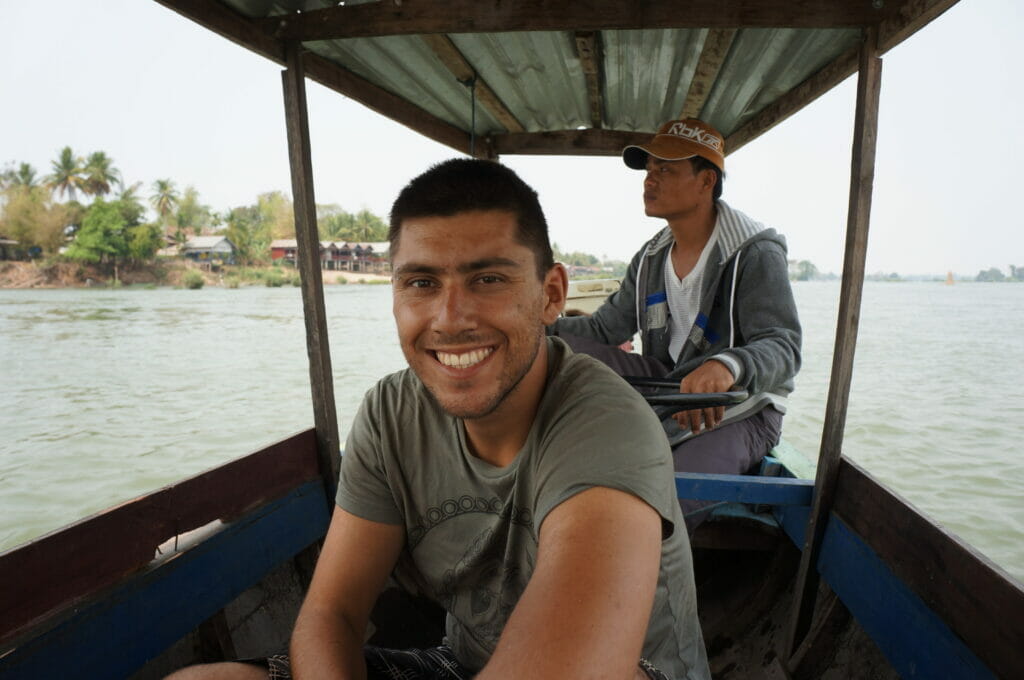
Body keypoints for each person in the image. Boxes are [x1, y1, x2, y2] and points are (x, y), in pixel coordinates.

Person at [167, 159, 710, 680]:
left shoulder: (607, 425)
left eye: (488, 280)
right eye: (422, 284)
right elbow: (332, 614)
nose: (450, 320)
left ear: (551, 296)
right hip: (463, 663)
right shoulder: (390, 415)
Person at [550, 118, 802, 530]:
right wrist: (537, 326)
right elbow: (603, 332)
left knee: (671, 495)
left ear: (706, 181)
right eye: (649, 171)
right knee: (557, 349)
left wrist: (728, 366)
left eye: (665, 170)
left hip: (741, 410)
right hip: (670, 388)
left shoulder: (754, 251)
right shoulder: (650, 258)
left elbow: (784, 345)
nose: (650, 181)